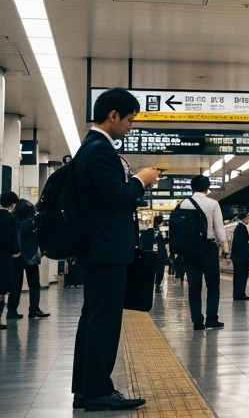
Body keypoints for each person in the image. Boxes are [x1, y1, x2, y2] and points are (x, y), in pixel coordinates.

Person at [71, 87, 162, 412]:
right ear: (113, 116)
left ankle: (85, 389)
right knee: (104, 320)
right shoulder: (99, 150)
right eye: (129, 120)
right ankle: (98, 392)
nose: (130, 126)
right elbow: (116, 196)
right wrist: (141, 179)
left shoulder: (90, 147)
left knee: (93, 318)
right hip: (106, 250)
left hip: (100, 249)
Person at [176, 175, 227, 330]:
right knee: (213, 284)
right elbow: (219, 229)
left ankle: (197, 321)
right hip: (208, 248)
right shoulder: (213, 203)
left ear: (192, 187)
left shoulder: (184, 204)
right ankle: (212, 318)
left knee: (194, 285)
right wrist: (224, 246)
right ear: (207, 187)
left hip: (189, 249)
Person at [9, 197, 48, 318]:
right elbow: (35, 239)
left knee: (16, 285)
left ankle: (11, 311)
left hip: (16, 257)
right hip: (30, 257)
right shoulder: (30, 223)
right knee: (34, 284)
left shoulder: (14, 221)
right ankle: (34, 309)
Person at [137, 214, 168, 293]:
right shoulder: (158, 232)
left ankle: (152, 285)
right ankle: (156, 285)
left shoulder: (150, 231)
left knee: (152, 271)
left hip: (152, 254)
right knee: (159, 271)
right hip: (157, 254)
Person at [0, 190, 17, 331]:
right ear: (12, 204)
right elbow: (13, 239)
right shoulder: (12, 219)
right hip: (4, 258)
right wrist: (15, 251)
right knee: (2, 289)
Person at [231, 212, 249, 301]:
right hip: (241, 257)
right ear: (244, 218)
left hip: (238, 256)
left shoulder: (239, 227)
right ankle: (240, 294)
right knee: (242, 275)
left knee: (239, 275)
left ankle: (238, 293)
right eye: (248, 218)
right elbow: (241, 243)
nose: (248, 220)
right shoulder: (241, 228)